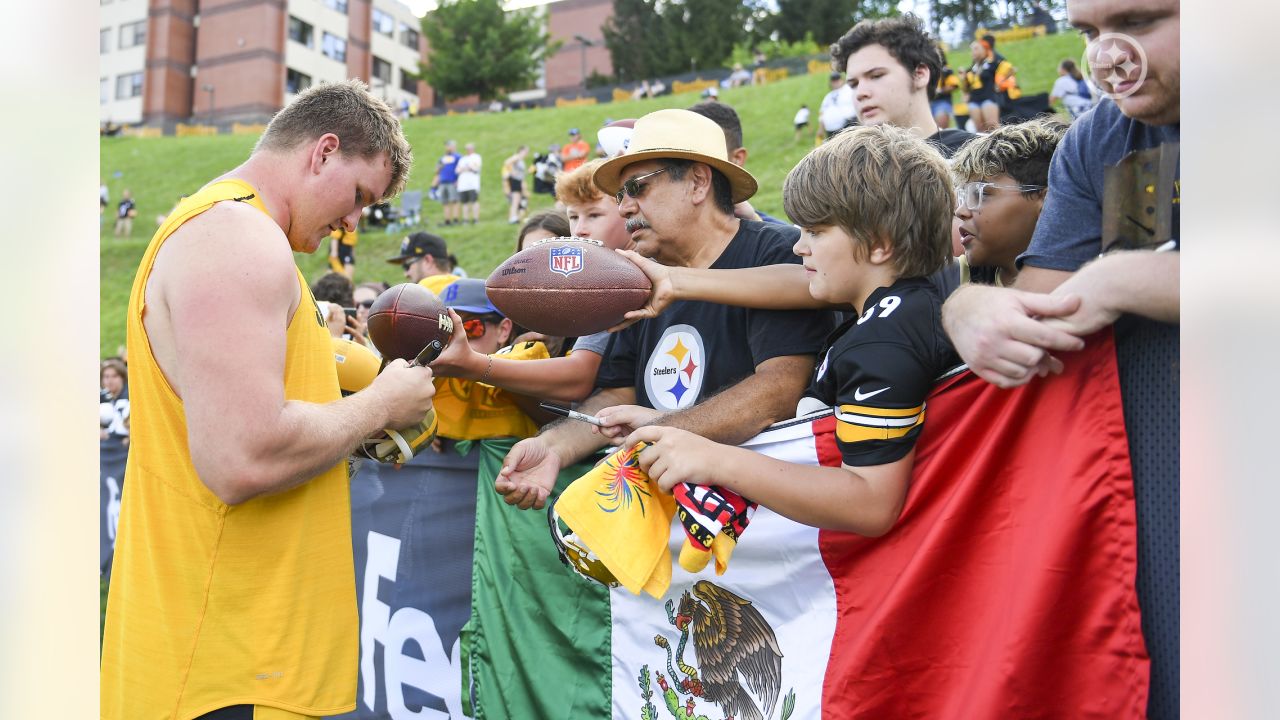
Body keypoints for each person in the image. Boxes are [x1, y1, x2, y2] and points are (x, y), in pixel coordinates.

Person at [100, 79, 438, 720]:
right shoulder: (235, 236)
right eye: (360, 197)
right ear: (323, 152)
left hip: (245, 658)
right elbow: (243, 457)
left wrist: (359, 418)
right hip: (228, 664)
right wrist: (381, 405)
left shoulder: (232, 235)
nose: (351, 224)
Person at [940, 1, 1179, 714]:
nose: (1107, 54)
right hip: (1167, 511)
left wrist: (1133, 279)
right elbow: (1044, 307)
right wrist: (967, 308)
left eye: (1137, 23)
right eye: (1089, 33)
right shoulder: (1109, 137)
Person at [627, 124, 960, 538]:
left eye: (816, 232)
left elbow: (870, 503)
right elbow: (790, 282)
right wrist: (676, 282)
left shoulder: (883, 340)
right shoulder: (895, 306)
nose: (799, 246)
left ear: (879, 243)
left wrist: (713, 458)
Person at [493, 108, 833, 511]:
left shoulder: (777, 253)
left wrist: (660, 430)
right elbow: (617, 396)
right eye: (620, 195)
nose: (624, 207)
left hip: (768, 526)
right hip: (667, 527)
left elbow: (778, 391)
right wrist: (553, 446)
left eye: (636, 187)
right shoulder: (636, 278)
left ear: (697, 182)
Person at [434, 161, 623, 399]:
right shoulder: (518, 314)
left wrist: (476, 365)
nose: (580, 230)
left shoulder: (610, 287)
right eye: (574, 217)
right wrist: (516, 353)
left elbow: (578, 379)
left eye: (594, 215)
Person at [830, 14, 976, 158]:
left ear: (919, 75)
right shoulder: (852, 174)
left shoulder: (978, 160)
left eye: (876, 76)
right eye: (853, 84)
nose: (860, 93)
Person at [951, 117, 1067, 286]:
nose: (960, 211)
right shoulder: (951, 280)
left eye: (980, 194)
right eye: (964, 196)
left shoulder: (1090, 280)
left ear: (1046, 201)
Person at [688, 100, 786, 225]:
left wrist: (754, 221)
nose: (690, 167)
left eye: (705, 154)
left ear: (737, 159)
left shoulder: (786, 238)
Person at [964, 34, 1020, 132]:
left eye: (976, 49)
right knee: (979, 129)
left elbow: (1010, 69)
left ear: (983, 50)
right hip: (974, 99)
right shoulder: (972, 68)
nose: (973, 52)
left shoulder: (992, 63)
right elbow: (967, 87)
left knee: (992, 126)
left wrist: (999, 84)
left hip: (988, 98)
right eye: (972, 49)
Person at [386, 230, 456, 294]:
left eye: (407, 266)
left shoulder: (416, 297)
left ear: (427, 261)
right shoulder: (464, 288)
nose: (406, 274)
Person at [817, 71, 856, 141]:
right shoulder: (828, 97)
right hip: (830, 130)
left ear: (842, 80)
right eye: (833, 81)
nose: (836, 82)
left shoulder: (849, 90)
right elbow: (822, 113)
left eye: (837, 80)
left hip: (847, 126)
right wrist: (821, 129)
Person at [100, 357, 130, 443]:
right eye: (106, 376)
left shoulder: (127, 397)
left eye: (114, 376)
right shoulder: (105, 397)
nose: (110, 380)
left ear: (123, 378)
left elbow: (123, 430)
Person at [434, 139, 462, 225]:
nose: (447, 147)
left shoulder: (458, 157)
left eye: (449, 145)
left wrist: (458, 180)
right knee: (445, 202)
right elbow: (437, 170)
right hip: (443, 182)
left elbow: (460, 169)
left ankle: (456, 219)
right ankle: (447, 220)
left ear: (454, 146)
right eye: (447, 145)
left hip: (452, 182)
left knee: (454, 201)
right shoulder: (442, 158)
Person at [933, 53, 962, 129]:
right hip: (928, 103)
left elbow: (954, 85)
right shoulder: (926, 69)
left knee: (941, 128)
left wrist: (940, 91)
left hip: (942, 101)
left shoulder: (946, 70)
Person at [503, 145, 530, 225]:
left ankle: (518, 217)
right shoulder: (517, 157)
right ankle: (513, 217)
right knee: (516, 199)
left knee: (520, 200)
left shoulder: (520, 159)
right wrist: (512, 172)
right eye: (525, 151)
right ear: (521, 151)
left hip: (518, 180)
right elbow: (507, 162)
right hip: (515, 181)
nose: (526, 154)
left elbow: (521, 172)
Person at [457, 142, 482, 224]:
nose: (468, 150)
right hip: (463, 185)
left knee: (474, 201)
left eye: (469, 148)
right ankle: (465, 219)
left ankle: (475, 219)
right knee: (464, 203)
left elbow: (475, 168)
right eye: (467, 148)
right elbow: (457, 170)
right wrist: (466, 168)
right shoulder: (462, 159)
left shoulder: (476, 157)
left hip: (472, 184)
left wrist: (465, 168)